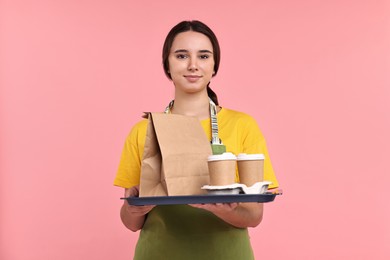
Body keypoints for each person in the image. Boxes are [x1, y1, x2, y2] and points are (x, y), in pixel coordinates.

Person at [114, 20, 279, 259]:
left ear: (214, 66)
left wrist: (223, 211)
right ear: (167, 65)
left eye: (203, 56)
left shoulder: (243, 125)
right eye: (181, 56)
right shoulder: (145, 130)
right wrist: (135, 208)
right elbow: (130, 222)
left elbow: (254, 216)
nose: (193, 65)